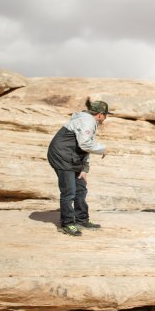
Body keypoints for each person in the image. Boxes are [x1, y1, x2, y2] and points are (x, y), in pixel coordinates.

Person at [47, 99, 109, 236]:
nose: (105, 118)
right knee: (69, 191)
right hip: (61, 157)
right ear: (100, 114)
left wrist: (84, 169)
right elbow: (86, 145)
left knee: (80, 188)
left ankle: (81, 219)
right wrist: (102, 149)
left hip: (72, 157)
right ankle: (67, 224)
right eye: (106, 115)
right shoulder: (87, 121)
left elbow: (85, 147)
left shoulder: (88, 121)